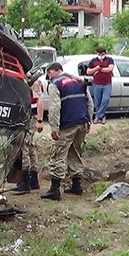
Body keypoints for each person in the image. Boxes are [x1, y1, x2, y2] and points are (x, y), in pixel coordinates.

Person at [41, 63, 94, 200]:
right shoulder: (78, 80)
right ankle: (77, 186)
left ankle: (55, 190)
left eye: (48, 74)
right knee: (75, 152)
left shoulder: (55, 84)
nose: (48, 77)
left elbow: (54, 107)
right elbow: (89, 102)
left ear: (52, 71)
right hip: (82, 122)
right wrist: (89, 120)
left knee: (58, 155)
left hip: (67, 124)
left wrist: (54, 128)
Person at [11, 78, 44, 194]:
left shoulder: (32, 81)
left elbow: (39, 100)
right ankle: (33, 179)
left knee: (24, 145)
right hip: (27, 116)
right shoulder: (25, 80)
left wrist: (40, 120)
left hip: (30, 116)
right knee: (30, 147)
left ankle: (25, 181)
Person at [86, 47, 114, 124]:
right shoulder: (93, 61)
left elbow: (110, 69)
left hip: (107, 84)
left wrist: (99, 70)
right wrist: (96, 68)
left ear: (105, 53)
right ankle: (102, 117)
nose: (100, 55)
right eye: (99, 54)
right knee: (97, 101)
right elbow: (88, 71)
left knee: (105, 100)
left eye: (102, 54)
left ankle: (98, 116)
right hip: (96, 84)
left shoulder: (109, 60)